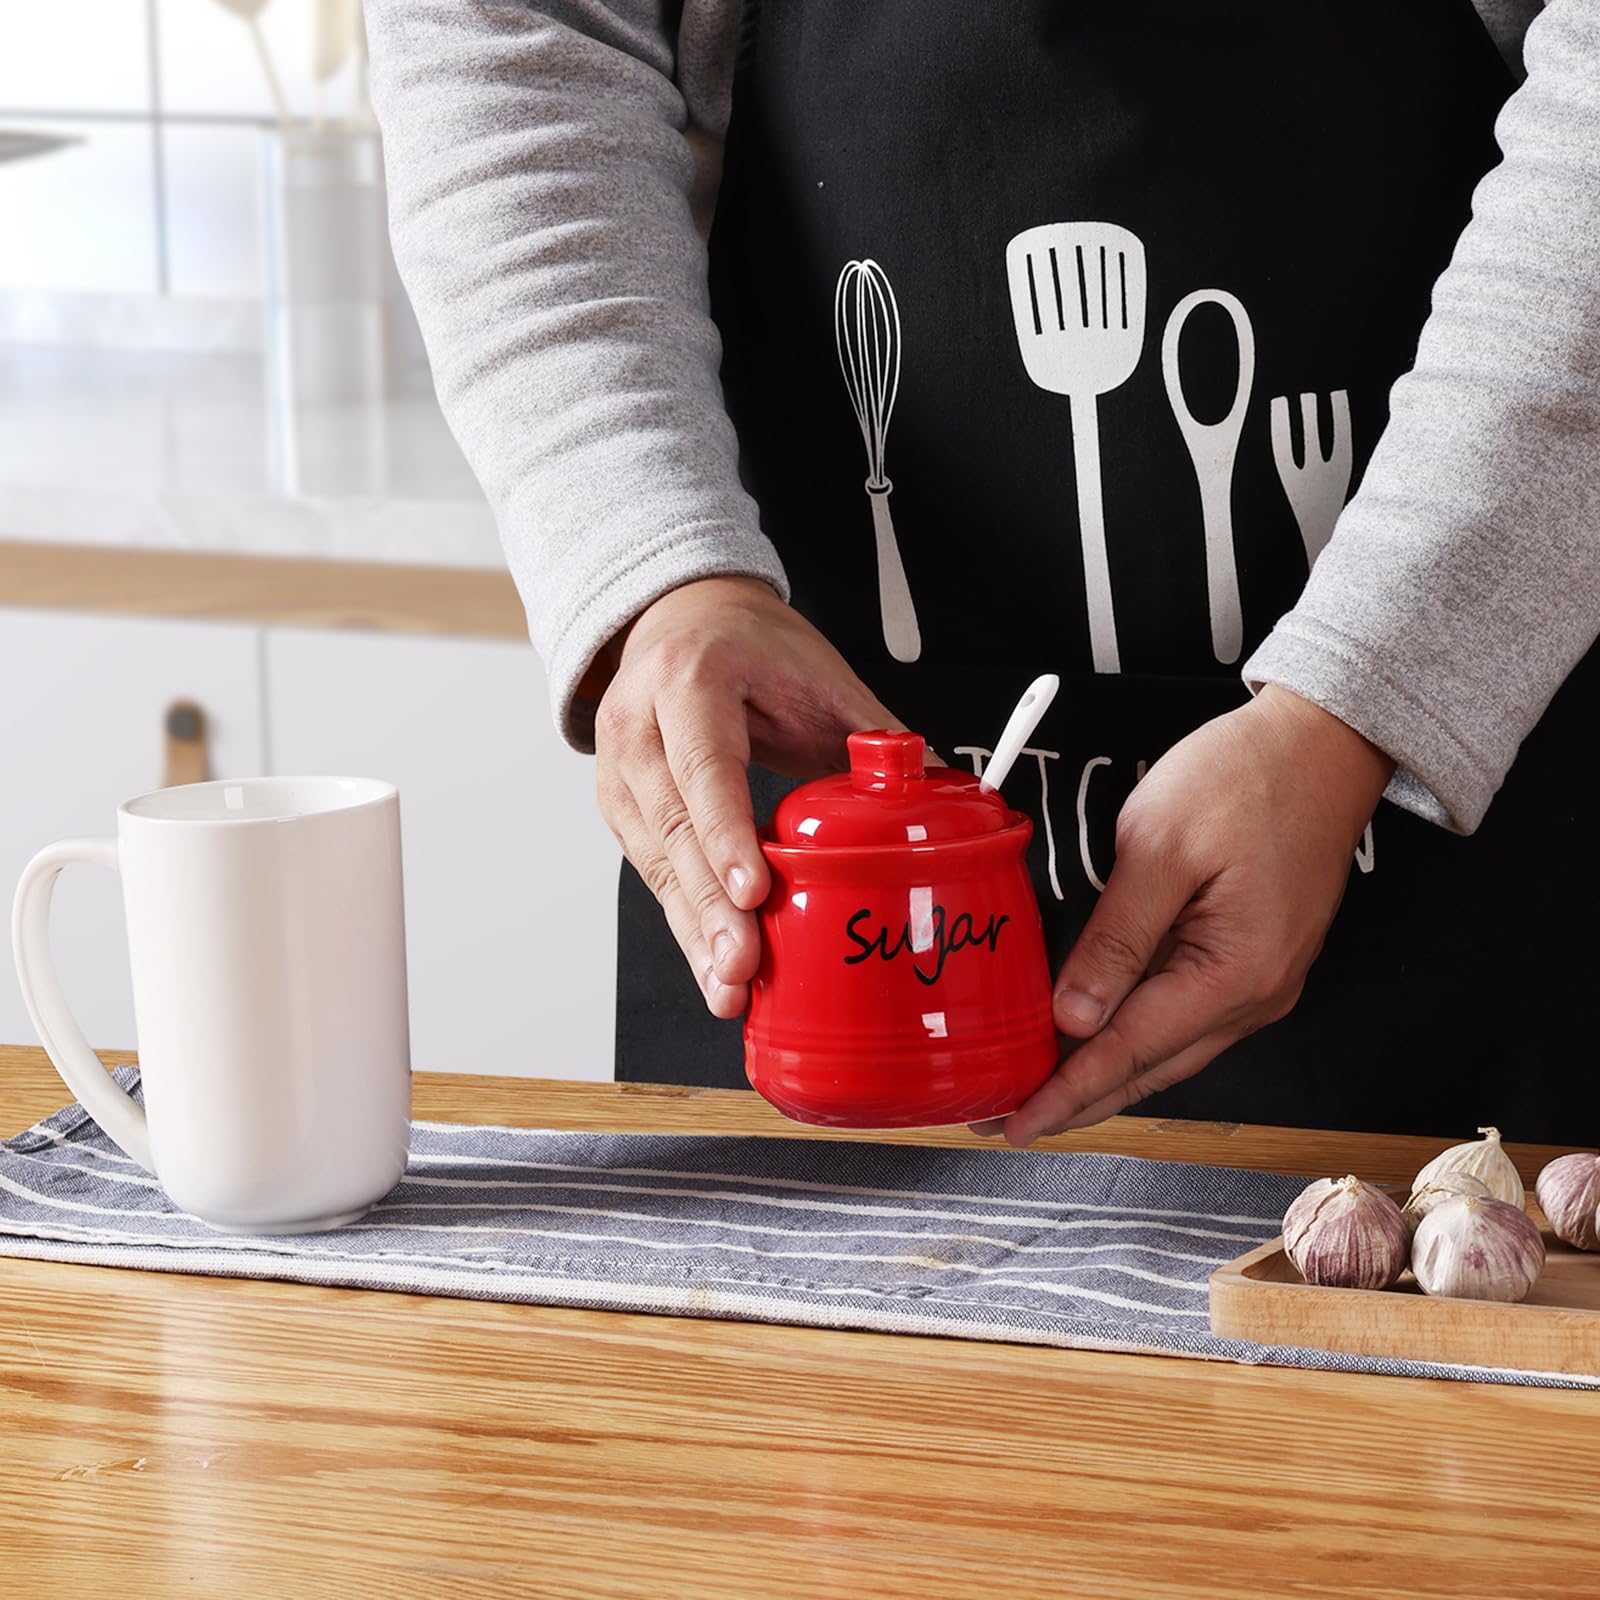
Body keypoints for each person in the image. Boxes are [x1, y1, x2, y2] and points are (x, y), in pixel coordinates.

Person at [366, 1, 1600, 1144]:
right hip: (791, 774)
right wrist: (660, 571)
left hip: (1441, 836)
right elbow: (515, 51)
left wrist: (1365, 700)